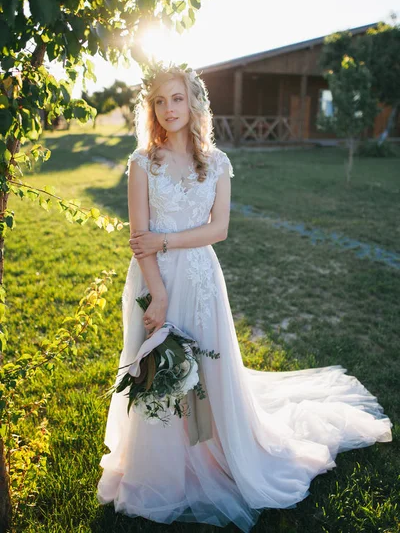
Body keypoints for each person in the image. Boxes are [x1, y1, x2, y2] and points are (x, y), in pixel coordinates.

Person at [96, 63, 392, 532]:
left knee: (204, 372)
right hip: (154, 280)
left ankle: (211, 452)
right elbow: (139, 237)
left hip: (200, 277)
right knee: (160, 369)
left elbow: (220, 228)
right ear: (150, 108)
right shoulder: (141, 162)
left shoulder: (215, 162)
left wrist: (168, 242)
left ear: (193, 102)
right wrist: (158, 296)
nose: (168, 109)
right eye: (159, 101)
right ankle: (160, 467)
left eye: (176, 99)